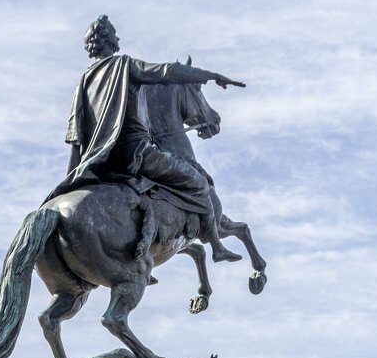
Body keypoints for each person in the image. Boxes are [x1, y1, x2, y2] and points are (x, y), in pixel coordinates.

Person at [47, 15, 244, 262]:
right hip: (136, 153)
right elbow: (165, 72)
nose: (118, 38)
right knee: (198, 183)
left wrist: (73, 177)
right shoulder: (123, 66)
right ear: (108, 40)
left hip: (102, 163)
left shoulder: (84, 82)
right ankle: (216, 246)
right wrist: (206, 75)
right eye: (115, 34)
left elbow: (74, 136)